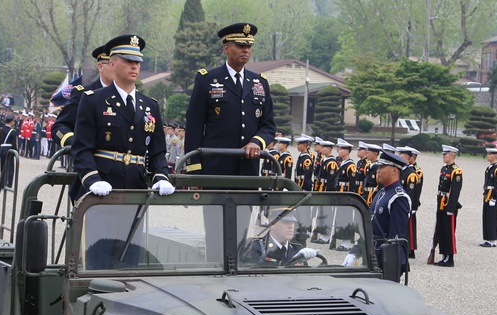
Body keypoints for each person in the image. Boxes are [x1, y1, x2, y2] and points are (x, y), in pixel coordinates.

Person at [68, 34, 173, 204]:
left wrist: (161, 176)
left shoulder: (149, 105)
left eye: (137, 62)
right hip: (99, 188)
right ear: (112, 64)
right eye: (127, 61)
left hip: (135, 188)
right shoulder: (93, 100)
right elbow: (82, 148)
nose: (134, 66)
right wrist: (92, 179)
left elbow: (157, 151)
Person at [184, 22, 275, 176]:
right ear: (226, 48)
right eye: (240, 45)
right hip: (215, 169)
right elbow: (194, 126)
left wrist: (256, 142)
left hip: (248, 170)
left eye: (249, 46)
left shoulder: (259, 82)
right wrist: (194, 170)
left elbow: (268, 125)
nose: (245, 50)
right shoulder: (207, 79)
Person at [343, 144, 411, 274]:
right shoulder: (381, 193)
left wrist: (388, 265)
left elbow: (395, 239)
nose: (378, 171)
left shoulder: (398, 197)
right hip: (372, 257)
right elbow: (370, 226)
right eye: (378, 167)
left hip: (386, 260)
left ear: (394, 170)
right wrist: (355, 251)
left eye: (382, 167)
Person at [51, 42, 113, 152]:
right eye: (111, 64)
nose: (115, 68)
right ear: (100, 66)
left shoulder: (133, 97)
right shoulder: (83, 94)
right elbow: (59, 128)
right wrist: (75, 143)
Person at [241, 212, 318, 266]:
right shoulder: (255, 246)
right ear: (272, 223)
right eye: (286, 222)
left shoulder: (297, 248)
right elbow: (253, 277)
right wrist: (292, 263)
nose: (291, 226)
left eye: (293, 222)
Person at [433, 145, 463, 267]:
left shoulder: (456, 171)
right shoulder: (444, 169)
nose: (443, 156)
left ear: (452, 155)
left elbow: (455, 191)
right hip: (441, 202)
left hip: (448, 204)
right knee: (441, 230)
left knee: (449, 231)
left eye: (445, 154)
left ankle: (450, 257)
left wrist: (451, 208)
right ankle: (444, 255)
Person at [397, 146, 422, 258]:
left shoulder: (411, 173)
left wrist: (411, 206)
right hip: (401, 203)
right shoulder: (403, 170)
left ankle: (409, 249)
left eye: (401, 156)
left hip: (407, 204)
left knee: (408, 228)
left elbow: (411, 192)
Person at [481, 147, 497, 247]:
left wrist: (494, 197)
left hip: (492, 196)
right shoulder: (490, 167)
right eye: (488, 154)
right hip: (487, 194)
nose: (488, 156)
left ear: (495, 156)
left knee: (491, 218)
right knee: (486, 217)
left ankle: (492, 240)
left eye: (490, 154)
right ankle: (487, 238)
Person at [0, 114, 17, 187]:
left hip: (2, 150)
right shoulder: (13, 131)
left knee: (2, 167)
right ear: (11, 122)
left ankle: (2, 183)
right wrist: (15, 152)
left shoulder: (0, 130)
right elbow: (14, 144)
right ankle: (9, 184)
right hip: (9, 150)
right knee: (10, 168)